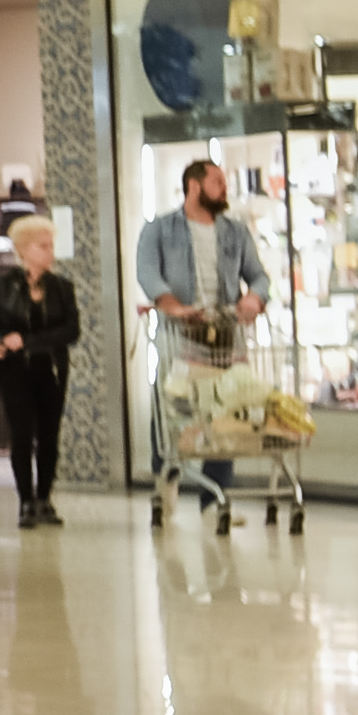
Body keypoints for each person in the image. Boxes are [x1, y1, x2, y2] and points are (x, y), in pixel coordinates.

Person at [133, 158, 268, 508]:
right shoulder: (160, 230)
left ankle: (214, 498)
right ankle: (167, 479)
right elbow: (147, 272)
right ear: (194, 186)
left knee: (225, 411)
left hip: (224, 336)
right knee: (172, 408)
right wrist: (172, 305)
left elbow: (258, 275)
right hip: (180, 336)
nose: (224, 188)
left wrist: (254, 298)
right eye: (217, 182)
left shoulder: (236, 232)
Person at [0, 215, 81, 526]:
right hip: (14, 371)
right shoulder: (3, 287)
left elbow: (71, 331)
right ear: (24, 250)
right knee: (21, 435)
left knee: (49, 437)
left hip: (51, 370)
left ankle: (45, 499)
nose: (50, 252)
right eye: (43, 246)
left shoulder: (61, 288)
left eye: (51, 245)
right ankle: (26, 501)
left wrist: (27, 341)